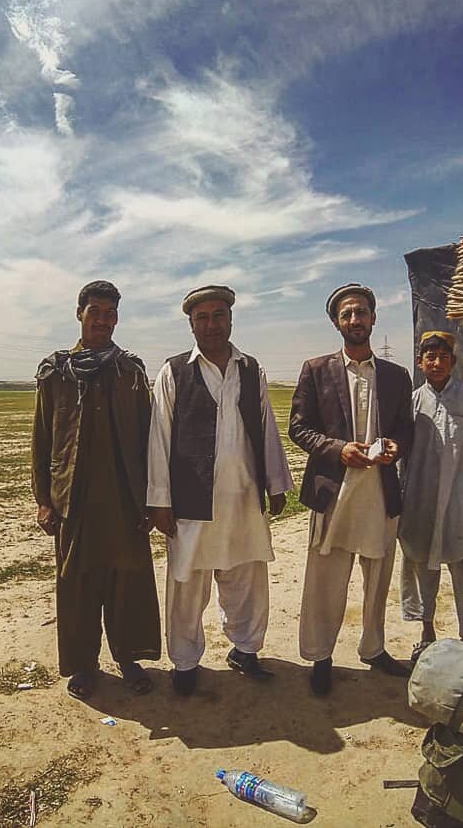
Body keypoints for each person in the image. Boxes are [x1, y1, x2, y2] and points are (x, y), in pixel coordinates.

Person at [147, 285, 293, 697]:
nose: (211, 325)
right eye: (202, 318)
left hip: (244, 498)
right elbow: (158, 438)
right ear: (191, 324)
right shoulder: (173, 372)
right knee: (187, 584)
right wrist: (160, 502)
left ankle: (245, 651)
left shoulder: (250, 368)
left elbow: (266, 428)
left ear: (231, 319)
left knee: (246, 579)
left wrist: (276, 483)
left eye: (218, 316)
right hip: (192, 503)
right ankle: (186, 662)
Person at [31, 280, 160, 700]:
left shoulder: (130, 371)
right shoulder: (56, 372)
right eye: (95, 311)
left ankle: (128, 659)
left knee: (128, 584)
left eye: (110, 313)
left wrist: (153, 499)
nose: (103, 320)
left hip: (125, 500)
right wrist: (43, 501)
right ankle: (84, 666)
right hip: (74, 503)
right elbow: (42, 439)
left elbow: (149, 438)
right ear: (80, 314)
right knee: (78, 586)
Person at [290, 283, 415, 696]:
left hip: (380, 492)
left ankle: (374, 648)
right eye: (347, 315)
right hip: (333, 492)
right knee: (325, 580)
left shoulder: (397, 376)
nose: (355, 320)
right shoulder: (316, 369)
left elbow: (405, 429)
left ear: (374, 318)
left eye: (361, 312)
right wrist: (339, 449)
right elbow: (299, 428)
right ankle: (320, 657)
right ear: (336, 323)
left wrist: (395, 446)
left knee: (377, 579)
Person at [398, 331, 463, 659]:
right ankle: (426, 630)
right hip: (420, 500)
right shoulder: (413, 402)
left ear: (453, 362)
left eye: (443, 357)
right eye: (430, 356)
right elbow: (402, 455)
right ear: (420, 362)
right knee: (423, 565)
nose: (437, 362)